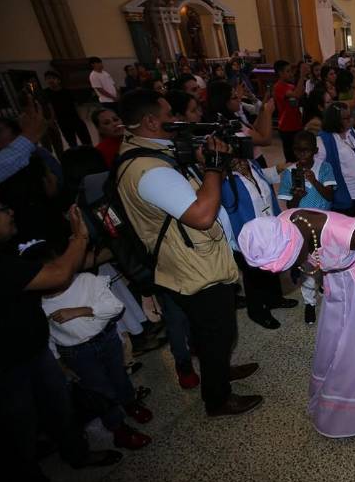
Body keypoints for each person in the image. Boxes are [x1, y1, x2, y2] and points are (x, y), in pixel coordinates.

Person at [115, 89, 261, 417]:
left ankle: (218, 370)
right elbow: (201, 215)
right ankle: (218, 398)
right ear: (151, 121)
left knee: (211, 333)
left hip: (187, 260)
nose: (178, 122)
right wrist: (213, 167)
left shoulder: (143, 152)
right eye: (170, 116)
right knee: (216, 332)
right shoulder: (150, 171)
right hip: (193, 268)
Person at [0, 201, 122, 482]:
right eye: (1, 208)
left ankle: (78, 454)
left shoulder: (6, 252)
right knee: (19, 434)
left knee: (59, 407)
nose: (10, 211)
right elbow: (57, 274)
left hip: (34, 350)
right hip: (6, 369)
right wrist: (78, 236)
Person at [238, 207, 355, 438]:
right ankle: (332, 394)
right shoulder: (280, 224)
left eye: (292, 260)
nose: (295, 267)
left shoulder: (340, 232)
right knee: (334, 336)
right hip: (338, 278)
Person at [24, 240, 153, 450]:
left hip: (106, 339)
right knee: (99, 390)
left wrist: (80, 311)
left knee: (119, 376)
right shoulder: (38, 305)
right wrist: (59, 363)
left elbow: (114, 307)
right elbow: (48, 337)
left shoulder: (85, 281)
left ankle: (130, 403)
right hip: (75, 353)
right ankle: (118, 428)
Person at [221, 144, 297, 330]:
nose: (238, 160)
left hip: (268, 227)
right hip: (249, 235)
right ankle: (257, 312)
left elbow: (264, 182)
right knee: (254, 275)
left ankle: (274, 299)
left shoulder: (252, 165)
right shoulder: (225, 180)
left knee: (272, 267)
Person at [278, 130, 336, 324]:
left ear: (315, 150)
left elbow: (329, 195)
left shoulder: (325, 167)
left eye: (306, 151)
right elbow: (289, 206)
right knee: (307, 265)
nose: (302, 155)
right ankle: (310, 302)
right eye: (297, 151)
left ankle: (326, 288)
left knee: (327, 258)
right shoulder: (289, 173)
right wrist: (298, 195)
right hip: (302, 226)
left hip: (324, 224)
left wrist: (313, 181)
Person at [314, 102, 355, 217]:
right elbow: (316, 168)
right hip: (343, 193)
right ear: (335, 120)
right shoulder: (323, 140)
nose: (351, 120)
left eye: (351, 116)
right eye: (346, 118)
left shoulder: (350, 132)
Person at [44, 71, 92, 148]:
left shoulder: (67, 91)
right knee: (71, 142)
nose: (51, 80)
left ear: (59, 80)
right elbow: (50, 107)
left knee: (86, 140)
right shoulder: (46, 93)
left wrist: (81, 117)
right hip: (62, 121)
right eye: (48, 79)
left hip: (75, 118)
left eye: (53, 78)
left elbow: (76, 105)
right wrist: (51, 120)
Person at [274, 60, 308, 163]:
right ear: (280, 73)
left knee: (300, 155)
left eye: (291, 71)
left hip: (297, 124)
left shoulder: (290, 85)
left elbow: (301, 93)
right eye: (288, 71)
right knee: (291, 158)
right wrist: (301, 76)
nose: (291, 74)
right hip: (287, 127)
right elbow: (297, 95)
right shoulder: (278, 86)